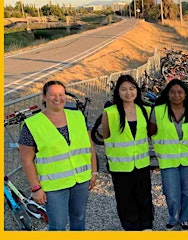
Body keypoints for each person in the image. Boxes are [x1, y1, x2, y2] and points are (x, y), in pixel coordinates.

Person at [19, 80, 97, 231]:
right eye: (53, 94)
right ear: (44, 97)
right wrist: (36, 188)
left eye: (61, 94)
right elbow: (26, 159)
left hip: (80, 180)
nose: (58, 98)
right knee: (58, 226)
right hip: (54, 186)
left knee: (79, 219)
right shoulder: (32, 124)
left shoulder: (77, 116)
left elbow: (90, 146)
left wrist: (93, 172)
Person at [101, 75, 154, 231]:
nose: (128, 93)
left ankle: (146, 226)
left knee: (144, 197)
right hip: (120, 167)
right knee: (125, 201)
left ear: (137, 90)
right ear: (118, 92)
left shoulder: (146, 110)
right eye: (123, 89)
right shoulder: (110, 112)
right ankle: (131, 228)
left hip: (142, 164)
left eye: (132, 88)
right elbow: (106, 136)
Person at [149, 79, 188, 231]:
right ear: (168, 94)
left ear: (185, 95)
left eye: (180, 92)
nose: (176, 95)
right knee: (171, 193)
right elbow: (151, 132)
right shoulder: (158, 111)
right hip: (167, 159)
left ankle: (186, 218)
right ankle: (173, 217)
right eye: (172, 92)